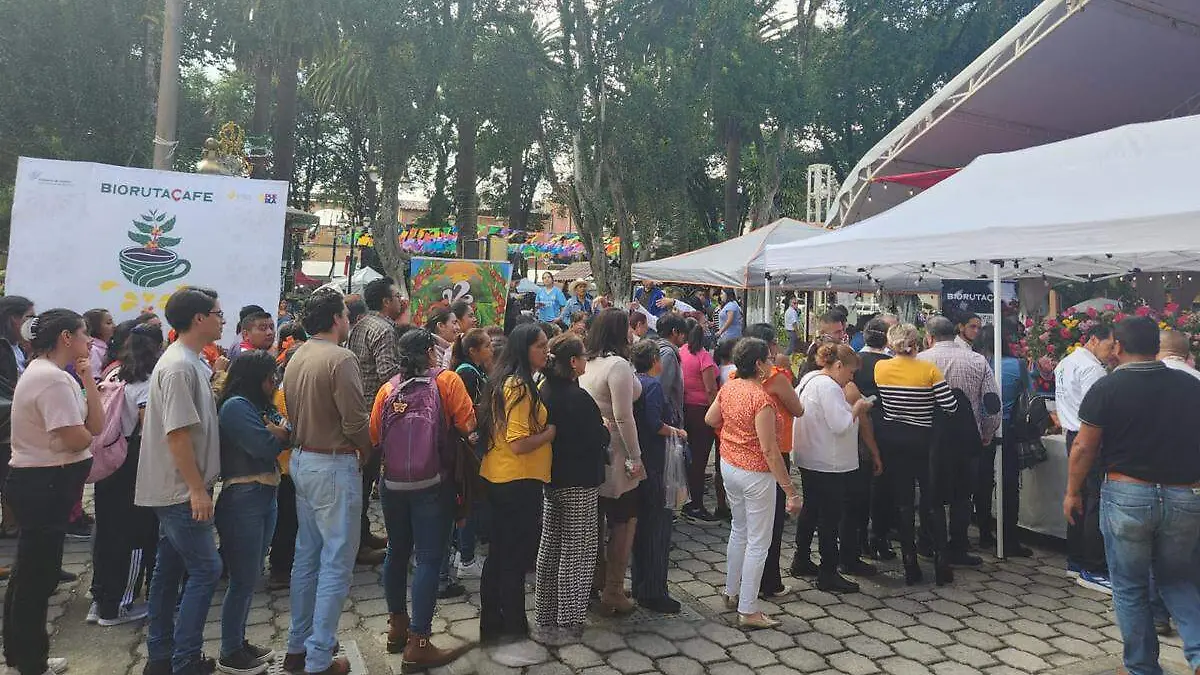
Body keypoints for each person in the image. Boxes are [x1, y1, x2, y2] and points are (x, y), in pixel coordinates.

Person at [1064, 316, 1200, 675]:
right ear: (1156, 346)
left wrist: (1072, 492)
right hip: (1185, 494)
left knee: (1129, 585)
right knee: (1180, 579)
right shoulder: (1190, 386)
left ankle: (1142, 667)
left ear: (1119, 347)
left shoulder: (1108, 388)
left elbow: (1083, 447)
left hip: (1127, 494)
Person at [3, 309, 103, 675]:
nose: (88, 340)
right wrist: (86, 437)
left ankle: (21, 654)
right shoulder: (51, 379)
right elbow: (77, 436)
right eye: (83, 333)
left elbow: (95, 423)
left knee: (29, 573)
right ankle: (31, 661)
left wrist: (88, 376)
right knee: (37, 578)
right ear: (65, 337)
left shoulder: (55, 375)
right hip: (43, 484)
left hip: (46, 483)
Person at [135, 287, 229, 675]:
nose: (223, 319)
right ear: (198, 319)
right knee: (206, 570)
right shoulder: (178, 366)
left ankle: (161, 656)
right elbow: (177, 434)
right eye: (218, 313)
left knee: (169, 570)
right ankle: (185, 659)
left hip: (180, 487)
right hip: (179, 489)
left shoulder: (188, 361)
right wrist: (195, 488)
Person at [281, 290, 373, 675]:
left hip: (303, 460)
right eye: (346, 315)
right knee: (335, 562)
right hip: (332, 463)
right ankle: (318, 657)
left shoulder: (296, 355)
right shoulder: (340, 358)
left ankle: (297, 647)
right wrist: (368, 452)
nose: (349, 321)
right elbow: (355, 421)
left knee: (308, 556)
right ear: (337, 318)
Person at [372, 329, 475, 670]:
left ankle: (396, 627)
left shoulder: (388, 389)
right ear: (431, 351)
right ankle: (419, 642)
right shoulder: (446, 382)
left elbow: (375, 435)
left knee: (396, 552)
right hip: (434, 483)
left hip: (393, 484)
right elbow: (467, 424)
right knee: (429, 559)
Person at [704, 337, 801, 629]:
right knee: (759, 541)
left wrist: (734, 434)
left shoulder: (729, 385)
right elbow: (771, 451)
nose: (772, 363)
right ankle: (748, 608)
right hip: (755, 473)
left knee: (740, 530)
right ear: (759, 364)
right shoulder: (762, 400)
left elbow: (711, 419)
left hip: (729, 465)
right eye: (769, 359)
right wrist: (791, 490)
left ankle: (731, 591)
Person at [478, 324, 555, 643]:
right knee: (513, 556)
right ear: (524, 350)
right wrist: (550, 433)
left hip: (500, 476)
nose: (546, 352)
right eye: (540, 346)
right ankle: (513, 624)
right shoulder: (520, 387)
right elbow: (519, 442)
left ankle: (493, 621)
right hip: (516, 480)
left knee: (499, 554)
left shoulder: (504, 380)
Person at [214, 351, 289, 675]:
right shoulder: (236, 407)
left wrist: (276, 430)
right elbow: (266, 445)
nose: (274, 382)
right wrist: (276, 433)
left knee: (251, 575)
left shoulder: (260, 406)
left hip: (265, 494)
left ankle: (239, 641)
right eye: (270, 376)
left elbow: (289, 431)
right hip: (243, 497)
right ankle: (230, 650)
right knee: (243, 578)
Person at [89, 324, 162, 628]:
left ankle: (101, 597)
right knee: (136, 533)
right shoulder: (146, 382)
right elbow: (149, 430)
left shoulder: (113, 373)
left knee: (107, 530)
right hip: (133, 463)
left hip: (108, 458)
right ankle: (120, 604)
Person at [873, 323, 958, 586]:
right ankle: (942, 561)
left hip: (893, 440)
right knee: (932, 501)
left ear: (891, 343)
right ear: (918, 342)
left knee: (904, 502)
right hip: (924, 440)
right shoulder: (928, 369)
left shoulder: (881, 368)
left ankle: (909, 563)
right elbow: (950, 405)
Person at [536, 333, 608, 636]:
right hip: (579, 480)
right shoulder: (578, 398)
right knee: (577, 548)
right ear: (573, 362)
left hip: (552, 477)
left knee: (551, 544)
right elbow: (598, 438)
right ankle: (570, 616)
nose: (586, 362)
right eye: (583, 356)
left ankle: (546, 611)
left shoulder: (545, 389)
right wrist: (604, 428)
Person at [917, 316, 1000, 567]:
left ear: (929, 337)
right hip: (967, 438)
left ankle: (927, 543)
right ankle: (958, 546)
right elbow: (992, 404)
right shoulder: (977, 360)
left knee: (930, 492)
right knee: (962, 496)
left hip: (928, 438)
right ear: (954, 334)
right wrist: (987, 432)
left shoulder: (919, 362)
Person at [791, 343, 874, 593]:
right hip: (828, 461)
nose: (850, 379)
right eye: (850, 373)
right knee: (830, 518)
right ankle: (828, 572)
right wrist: (858, 408)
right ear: (838, 366)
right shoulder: (828, 386)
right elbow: (840, 424)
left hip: (810, 456)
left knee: (812, 509)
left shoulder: (810, 377)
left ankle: (802, 558)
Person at [579, 309, 646, 615]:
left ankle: (597, 580)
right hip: (617, 455)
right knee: (623, 522)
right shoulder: (617, 365)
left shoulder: (588, 362)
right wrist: (636, 456)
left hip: (593, 454)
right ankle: (614, 590)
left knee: (596, 521)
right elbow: (623, 416)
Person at [348, 276, 406, 567]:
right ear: (386, 301)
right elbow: (388, 374)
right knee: (365, 479)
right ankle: (357, 544)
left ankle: (363, 534)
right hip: (374, 413)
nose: (400, 301)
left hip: (360, 408)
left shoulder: (360, 324)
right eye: (396, 296)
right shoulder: (384, 330)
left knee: (363, 479)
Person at [742, 323, 804, 598]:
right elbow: (798, 408)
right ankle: (769, 581)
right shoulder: (776, 378)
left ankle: (745, 580)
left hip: (744, 451)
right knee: (772, 522)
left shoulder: (737, 375)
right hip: (775, 450)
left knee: (748, 524)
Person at [1054, 322, 1114, 592]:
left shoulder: (1067, 361)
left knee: (1077, 496)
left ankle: (1075, 560)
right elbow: (1099, 409)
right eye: (1109, 345)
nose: (1111, 352)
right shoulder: (1092, 369)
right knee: (1092, 500)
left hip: (1071, 434)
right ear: (1093, 340)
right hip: (1089, 437)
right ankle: (1092, 566)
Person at [629, 339, 685, 614]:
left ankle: (642, 584)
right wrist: (677, 432)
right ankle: (653, 589)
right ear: (654, 361)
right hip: (655, 464)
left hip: (646, 463)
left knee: (642, 529)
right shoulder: (651, 386)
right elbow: (653, 424)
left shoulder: (636, 382)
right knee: (657, 529)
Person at [972, 324, 1034, 557]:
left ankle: (985, 533)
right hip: (1008, 429)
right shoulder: (1017, 365)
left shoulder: (976, 364)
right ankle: (1010, 538)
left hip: (980, 430)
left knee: (982, 482)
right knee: (1009, 484)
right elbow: (1030, 393)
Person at [448, 328, 494, 580]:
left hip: (472, 440)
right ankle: (465, 556)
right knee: (472, 500)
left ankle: (462, 552)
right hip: (471, 442)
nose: (491, 349)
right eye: (486, 345)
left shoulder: (474, 371)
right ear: (473, 350)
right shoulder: (468, 373)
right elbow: (466, 409)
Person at [855, 318, 895, 561]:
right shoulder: (891, 364)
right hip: (885, 428)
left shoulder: (855, 361)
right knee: (882, 487)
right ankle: (879, 536)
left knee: (860, 485)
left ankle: (859, 537)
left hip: (858, 428)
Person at [0, 295, 35, 547]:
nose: (31, 323)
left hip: (15, 421)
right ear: (13, 319)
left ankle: (12, 523)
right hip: (7, 424)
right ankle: (12, 524)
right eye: (28, 317)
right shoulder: (3, 347)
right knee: (9, 475)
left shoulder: (16, 346)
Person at [680, 318, 720, 522]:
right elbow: (710, 388)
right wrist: (717, 414)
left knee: (690, 457)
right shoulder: (703, 357)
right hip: (702, 410)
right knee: (699, 459)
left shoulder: (682, 352)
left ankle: (688, 499)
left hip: (686, 407)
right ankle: (695, 503)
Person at [83, 308, 116, 379]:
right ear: (96, 327)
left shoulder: (109, 345)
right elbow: (95, 377)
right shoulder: (93, 350)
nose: (114, 326)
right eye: (108, 323)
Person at [426, 306, 461, 371]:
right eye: (454, 323)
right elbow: (440, 378)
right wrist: (449, 353)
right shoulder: (430, 350)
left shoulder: (449, 348)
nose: (458, 327)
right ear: (441, 326)